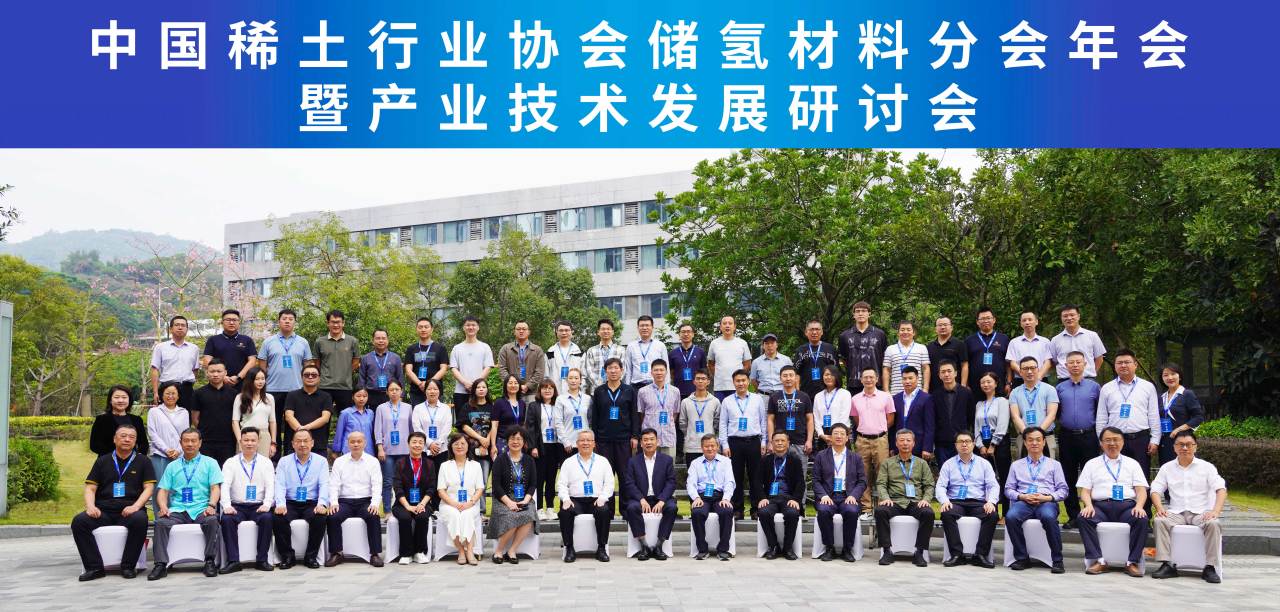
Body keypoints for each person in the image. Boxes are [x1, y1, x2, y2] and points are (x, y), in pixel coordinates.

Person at [71, 424, 155, 581]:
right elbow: (90, 488)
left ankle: (128, 566)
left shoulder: (143, 461)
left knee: (140, 520)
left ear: (135, 441)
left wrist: (136, 506)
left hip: (130, 510)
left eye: (131, 437)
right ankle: (94, 568)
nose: (127, 439)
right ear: (114, 439)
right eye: (123, 436)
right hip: (103, 511)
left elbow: (149, 488)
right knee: (79, 522)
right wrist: (90, 506)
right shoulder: (102, 461)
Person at [1150, 431, 1226, 583]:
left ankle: (1210, 567)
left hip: (1201, 512)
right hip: (1177, 512)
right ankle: (1167, 564)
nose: (1184, 448)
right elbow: (1155, 490)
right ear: (1174, 447)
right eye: (1180, 444)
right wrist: (1159, 508)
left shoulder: (1207, 467)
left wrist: (1215, 511)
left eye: (1188, 445)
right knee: (1160, 520)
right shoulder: (1167, 468)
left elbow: (1221, 489)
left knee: (1213, 523)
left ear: (1195, 447)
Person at [148, 428, 223, 581]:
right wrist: (163, 507)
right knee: (161, 523)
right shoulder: (172, 466)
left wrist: (211, 505)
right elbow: (162, 491)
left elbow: (215, 488)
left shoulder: (210, 463)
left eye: (193, 441)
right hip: (178, 510)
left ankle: (209, 561)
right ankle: (160, 564)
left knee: (212, 520)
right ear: (180, 443)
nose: (190, 444)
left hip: (201, 508)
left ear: (200, 443)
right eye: (186, 441)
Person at [1077, 427, 1150, 577]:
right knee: (1083, 517)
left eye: (1116, 440)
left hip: (1126, 507)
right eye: (1108, 440)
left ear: (1122, 442)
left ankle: (1132, 562)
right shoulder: (1091, 464)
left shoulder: (1132, 464)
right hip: (1100, 507)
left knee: (1141, 519)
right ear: (1101, 443)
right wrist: (1088, 505)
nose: (1112, 443)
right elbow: (1085, 491)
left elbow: (1141, 490)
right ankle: (1099, 560)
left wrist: (1139, 506)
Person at [1005, 427, 1069, 573]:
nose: (1034, 443)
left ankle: (1057, 560)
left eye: (1038, 440)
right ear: (1025, 443)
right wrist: (1022, 496)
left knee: (1048, 517)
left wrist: (1047, 498)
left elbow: (1063, 490)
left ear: (1044, 442)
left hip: (1046, 502)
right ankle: (1022, 558)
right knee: (1011, 517)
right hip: (1024, 501)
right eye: (1030, 440)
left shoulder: (1054, 465)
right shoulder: (1016, 465)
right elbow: (1008, 489)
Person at [936, 431, 1000, 568]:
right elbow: (940, 486)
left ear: (973, 444)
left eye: (967, 441)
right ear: (956, 445)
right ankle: (957, 554)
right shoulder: (948, 464)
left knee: (992, 515)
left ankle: (980, 555)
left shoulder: (984, 464)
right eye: (961, 442)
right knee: (947, 513)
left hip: (978, 502)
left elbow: (993, 485)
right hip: (956, 502)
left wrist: (991, 502)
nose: (964, 444)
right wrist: (945, 501)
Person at [873, 429, 936, 567]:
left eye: (908, 440)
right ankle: (887, 551)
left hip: (915, 502)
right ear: (896, 443)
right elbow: (881, 484)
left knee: (928, 513)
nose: (905, 443)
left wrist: (925, 499)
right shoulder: (887, 463)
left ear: (913, 443)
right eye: (901, 440)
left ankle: (919, 552)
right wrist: (885, 498)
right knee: (880, 511)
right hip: (894, 501)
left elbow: (929, 485)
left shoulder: (921, 463)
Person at [1095, 349, 1160, 479]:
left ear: (1135, 365)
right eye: (1119, 363)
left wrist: (1155, 440)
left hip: (1141, 439)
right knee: (1117, 476)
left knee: (1141, 477)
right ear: (1115, 366)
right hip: (1115, 440)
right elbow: (1101, 417)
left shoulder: (1148, 387)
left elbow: (1153, 415)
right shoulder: (1106, 388)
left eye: (1127, 362)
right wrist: (1102, 440)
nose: (1123, 365)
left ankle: (1142, 494)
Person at [218, 427, 275, 573]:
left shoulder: (266, 462)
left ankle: (262, 560)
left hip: (258, 506)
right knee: (227, 520)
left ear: (258, 442)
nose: (249, 443)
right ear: (240, 441)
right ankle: (233, 561)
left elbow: (270, 486)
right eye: (246, 440)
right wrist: (227, 506)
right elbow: (225, 486)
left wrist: (267, 504)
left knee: (267, 518)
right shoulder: (231, 462)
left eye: (253, 440)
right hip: (237, 506)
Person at [272, 430, 331, 570]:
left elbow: (324, 484)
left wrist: (322, 504)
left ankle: (311, 556)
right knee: (278, 518)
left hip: (311, 502)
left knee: (320, 518)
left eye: (306, 441)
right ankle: (287, 556)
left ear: (312, 443)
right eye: (298, 441)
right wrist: (280, 504)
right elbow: (279, 484)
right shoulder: (284, 461)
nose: (302, 444)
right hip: (290, 502)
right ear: (293, 444)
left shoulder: (321, 461)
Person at [324, 431, 385, 567]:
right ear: (348, 443)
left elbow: (377, 484)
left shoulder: (373, 461)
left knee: (373, 515)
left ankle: (375, 554)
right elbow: (333, 484)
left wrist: (375, 504)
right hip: (345, 501)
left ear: (365, 443)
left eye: (359, 441)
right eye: (352, 442)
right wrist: (333, 502)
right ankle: (337, 553)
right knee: (333, 516)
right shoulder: (339, 462)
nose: (356, 444)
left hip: (365, 501)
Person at [1055, 351, 1102, 528]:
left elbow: (1099, 411)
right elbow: (1057, 412)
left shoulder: (1094, 387)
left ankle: (1092, 513)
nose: (1075, 365)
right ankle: (1073, 515)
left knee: (1092, 476)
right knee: (1068, 476)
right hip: (1067, 436)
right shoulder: (1059, 388)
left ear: (1085, 364)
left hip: (1089, 435)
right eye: (1071, 362)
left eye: (1078, 362)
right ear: (1066, 366)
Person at [556, 430, 615, 562]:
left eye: (589, 440)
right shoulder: (568, 462)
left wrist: (602, 498)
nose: (585, 443)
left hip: (596, 500)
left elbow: (610, 483)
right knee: (565, 512)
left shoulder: (603, 461)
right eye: (582, 440)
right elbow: (561, 484)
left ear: (594, 443)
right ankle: (569, 548)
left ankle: (601, 548)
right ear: (577, 443)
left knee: (604, 511)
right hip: (575, 500)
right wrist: (565, 499)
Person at [257, 308, 312, 449]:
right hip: (272, 389)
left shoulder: (303, 342)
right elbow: (262, 365)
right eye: (284, 319)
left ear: (295, 322)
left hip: (296, 389)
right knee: (273, 422)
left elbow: (307, 366)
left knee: (293, 425)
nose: (287, 321)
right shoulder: (268, 342)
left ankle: (290, 453)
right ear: (279, 321)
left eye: (290, 319)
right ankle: (273, 454)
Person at [812, 424, 866, 562]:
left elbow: (862, 482)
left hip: (847, 496)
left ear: (847, 438)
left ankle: (847, 549)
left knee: (851, 511)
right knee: (823, 511)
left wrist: (853, 495)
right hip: (828, 496)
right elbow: (816, 480)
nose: (839, 436)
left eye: (842, 434)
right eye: (835, 433)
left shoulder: (856, 458)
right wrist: (823, 495)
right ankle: (829, 548)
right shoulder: (821, 456)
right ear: (830, 437)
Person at [718, 369, 768, 519]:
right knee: (735, 477)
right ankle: (737, 509)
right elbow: (723, 424)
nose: (741, 383)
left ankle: (756, 508)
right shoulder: (727, 401)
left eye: (743, 380)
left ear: (748, 382)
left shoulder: (757, 399)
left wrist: (764, 441)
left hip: (754, 441)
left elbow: (763, 422)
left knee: (756, 477)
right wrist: (724, 445)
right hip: (734, 443)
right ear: (733, 383)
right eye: (738, 381)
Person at [622, 429, 678, 561]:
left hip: (660, 498)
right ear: (641, 443)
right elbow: (629, 483)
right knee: (631, 508)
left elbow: (671, 482)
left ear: (657, 442)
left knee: (672, 507)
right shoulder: (633, 461)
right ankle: (644, 545)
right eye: (645, 440)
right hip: (641, 498)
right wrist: (641, 499)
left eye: (652, 439)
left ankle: (659, 545)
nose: (649, 442)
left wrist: (662, 500)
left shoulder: (667, 460)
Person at [591, 357, 639, 512]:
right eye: (610, 368)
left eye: (616, 368)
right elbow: (595, 417)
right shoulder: (599, 391)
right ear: (605, 371)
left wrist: (635, 436)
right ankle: (608, 510)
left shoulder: (629, 390)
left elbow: (634, 415)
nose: (613, 371)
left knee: (625, 475)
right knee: (606, 476)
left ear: (621, 370)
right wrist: (595, 439)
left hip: (624, 440)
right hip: (603, 440)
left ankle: (625, 510)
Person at [489, 427, 540, 564]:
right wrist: (509, 503)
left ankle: (512, 551)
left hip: (523, 499)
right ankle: (498, 551)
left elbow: (533, 484)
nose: (515, 442)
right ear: (507, 441)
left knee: (528, 515)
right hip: (503, 500)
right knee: (511, 516)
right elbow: (496, 486)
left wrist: (526, 500)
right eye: (512, 438)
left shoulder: (529, 460)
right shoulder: (500, 460)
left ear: (524, 442)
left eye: (519, 439)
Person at [755, 432, 806, 560]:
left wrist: (796, 499)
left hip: (788, 498)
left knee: (792, 513)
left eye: (783, 440)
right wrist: (762, 498)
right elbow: (757, 482)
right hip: (770, 498)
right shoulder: (765, 460)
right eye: (776, 441)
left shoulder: (795, 460)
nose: (779, 443)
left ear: (788, 443)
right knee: (763, 512)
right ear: (771, 443)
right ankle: (773, 546)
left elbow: (800, 482)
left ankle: (788, 548)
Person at [851, 368, 895, 512]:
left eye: (871, 377)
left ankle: (883, 505)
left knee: (882, 473)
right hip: (862, 440)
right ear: (861, 380)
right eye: (865, 377)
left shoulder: (886, 397)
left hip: (880, 439)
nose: (868, 380)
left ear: (877, 379)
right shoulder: (855, 399)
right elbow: (856, 419)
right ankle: (866, 508)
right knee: (863, 474)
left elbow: (890, 419)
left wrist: (878, 430)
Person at [438, 432, 486, 565]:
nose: (459, 446)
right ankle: (461, 551)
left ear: (468, 446)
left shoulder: (475, 465)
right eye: (456, 444)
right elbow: (441, 490)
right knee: (454, 515)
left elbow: (480, 488)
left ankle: (469, 550)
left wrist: (471, 502)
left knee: (467, 515)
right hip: (449, 504)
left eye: (463, 443)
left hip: (470, 503)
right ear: (451, 447)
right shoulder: (445, 466)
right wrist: (454, 504)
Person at [687, 435, 736, 560]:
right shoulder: (695, 463)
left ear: (717, 447)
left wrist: (726, 498)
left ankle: (723, 550)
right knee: (697, 512)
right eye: (706, 446)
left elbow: (730, 482)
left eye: (712, 446)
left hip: (720, 496)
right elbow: (690, 484)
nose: (710, 448)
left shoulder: (726, 462)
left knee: (727, 511)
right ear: (701, 447)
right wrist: (696, 498)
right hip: (702, 496)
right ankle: (702, 549)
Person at [391, 432, 436, 565]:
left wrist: (422, 504)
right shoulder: (400, 463)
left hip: (423, 502)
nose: (417, 445)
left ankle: (419, 552)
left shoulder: (429, 464)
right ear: (408, 444)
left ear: (424, 445)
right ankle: (406, 553)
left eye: (420, 442)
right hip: (402, 503)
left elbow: (431, 488)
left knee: (422, 517)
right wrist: (408, 506)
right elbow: (397, 487)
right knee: (405, 517)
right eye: (414, 442)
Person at [973, 372, 1013, 516]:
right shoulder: (979, 404)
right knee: (987, 479)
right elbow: (976, 427)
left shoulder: (1002, 401)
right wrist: (980, 445)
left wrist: (993, 444)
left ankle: (1006, 513)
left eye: (989, 381)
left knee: (1003, 477)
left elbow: (1003, 424)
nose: (986, 385)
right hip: (983, 444)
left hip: (999, 442)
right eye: (983, 382)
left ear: (996, 384)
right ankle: (991, 513)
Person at [147, 382, 189, 512]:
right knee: (160, 487)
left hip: (179, 455)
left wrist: (178, 450)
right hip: (159, 455)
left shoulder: (184, 412)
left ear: (178, 395)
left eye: (173, 393)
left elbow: (185, 434)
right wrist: (166, 450)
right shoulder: (154, 411)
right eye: (167, 393)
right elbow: (152, 433)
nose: (170, 396)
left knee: (179, 486)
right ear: (161, 395)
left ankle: (178, 515)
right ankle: (161, 517)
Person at [312, 309, 360, 421]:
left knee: (345, 420)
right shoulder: (320, 342)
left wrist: (345, 372)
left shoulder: (352, 341)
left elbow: (356, 361)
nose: (336, 325)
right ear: (328, 323)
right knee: (322, 419)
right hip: (324, 387)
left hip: (345, 387)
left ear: (343, 323)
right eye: (333, 322)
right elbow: (317, 363)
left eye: (338, 322)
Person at [191, 359, 239, 466]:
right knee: (206, 471)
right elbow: (195, 418)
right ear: (207, 373)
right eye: (212, 371)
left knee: (226, 471)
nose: (215, 374)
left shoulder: (234, 394)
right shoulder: (199, 393)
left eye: (219, 371)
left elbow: (236, 418)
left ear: (225, 373)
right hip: (206, 441)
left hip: (228, 441)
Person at [1010, 357, 1060, 459]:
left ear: (1038, 369)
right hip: (1024, 437)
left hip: (1046, 436)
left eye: (1032, 368)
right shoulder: (1015, 392)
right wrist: (1027, 434)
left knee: (1048, 467)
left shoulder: (1050, 389)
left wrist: (1038, 433)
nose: (1029, 371)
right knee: (1023, 467)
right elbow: (1015, 416)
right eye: (1025, 368)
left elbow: (1052, 415)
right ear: (1020, 372)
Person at [373, 380, 413, 510]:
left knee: (406, 482)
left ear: (401, 391)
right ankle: (387, 510)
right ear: (387, 392)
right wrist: (380, 448)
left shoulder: (408, 408)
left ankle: (406, 508)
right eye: (391, 390)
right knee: (387, 482)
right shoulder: (381, 408)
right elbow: (377, 429)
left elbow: (412, 430)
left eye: (397, 389)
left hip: (405, 451)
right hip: (387, 452)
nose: (394, 392)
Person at [1157, 363, 1205, 465]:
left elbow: (1198, 417)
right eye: (1165, 375)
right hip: (1165, 441)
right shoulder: (1161, 397)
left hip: (1183, 441)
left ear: (1180, 376)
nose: (1170, 377)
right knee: (1167, 469)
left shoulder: (1187, 394)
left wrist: (1179, 429)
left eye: (1173, 374)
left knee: (1185, 469)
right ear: (1162, 379)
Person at [150, 315, 200, 411]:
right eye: (177, 325)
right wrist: (155, 392)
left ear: (187, 329)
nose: (180, 327)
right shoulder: (160, 347)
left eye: (183, 325)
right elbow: (155, 369)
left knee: (186, 416)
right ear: (171, 329)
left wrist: (187, 385)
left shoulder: (194, 348)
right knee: (165, 416)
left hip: (187, 389)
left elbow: (195, 370)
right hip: (167, 388)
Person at [838, 301, 888, 395]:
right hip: (853, 383)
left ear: (869, 314)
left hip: (876, 383)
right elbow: (843, 359)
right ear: (853, 315)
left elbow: (885, 358)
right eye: (857, 311)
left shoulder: (880, 334)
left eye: (864, 311)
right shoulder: (844, 336)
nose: (860, 313)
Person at [532, 380, 565, 520]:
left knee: (551, 478)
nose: (547, 390)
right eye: (544, 388)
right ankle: (539, 508)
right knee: (539, 479)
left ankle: (550, 507)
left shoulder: (558, 405)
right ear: (540, 391)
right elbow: (530, 427)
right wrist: (533, 446)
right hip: (540, 446)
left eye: (550, 388)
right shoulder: (534, 406)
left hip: (555, 446)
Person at [931, 361, 974, 466]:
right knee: (944, 471)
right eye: (943, 372)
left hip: (962, 442)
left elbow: (971, 416)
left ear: (955, 373)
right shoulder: (935, 395)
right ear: (939, 375)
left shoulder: (966, 393)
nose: (946, 374)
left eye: (949, 371)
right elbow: (933, 419)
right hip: (941, 442)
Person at [201, 309, 257, 389]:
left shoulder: (247, 340)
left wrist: (238, 377)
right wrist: (222, 377)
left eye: (234, 320)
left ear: (239, 322)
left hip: (243, 384)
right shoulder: (213, 340)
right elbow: (207, 361)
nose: (231, 322)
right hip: (218, 384)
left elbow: (252, 361)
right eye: (228, 320)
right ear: (222, 322)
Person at [1050, 304, 1107, 380]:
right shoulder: (1055, 340)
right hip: (1064, 381)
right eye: (1065, 316)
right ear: (1061, 318)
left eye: (1072, 315)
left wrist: (1092, 374)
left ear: (1078, 316)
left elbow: (1099, 358)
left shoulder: (1092, 335)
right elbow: (1054, 362)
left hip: (1087, 379)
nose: (1069, 318)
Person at [89, 385, 149, 457]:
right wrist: (117, 456)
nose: (120, 400)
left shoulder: (137, 420)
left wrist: (137, 457)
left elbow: (143, 444)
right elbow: (94, 445)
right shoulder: (101, 420)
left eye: (124, 397)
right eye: (116, 397)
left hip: (132, 461)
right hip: (107, 460)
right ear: (110, 400)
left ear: (129, 400)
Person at [767, 366, 813, 458]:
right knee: (780, 467)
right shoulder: (774, 397)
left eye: (791, 375)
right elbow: (770, 420)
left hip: (800, 442)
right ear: (780, 378)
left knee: (800, 467)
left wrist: (809, 440)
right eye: (785, 376)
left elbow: (810, 420)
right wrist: (771, 441)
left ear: (796, 378)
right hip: (779, 442)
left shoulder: (804, 396)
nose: (788, 378)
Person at [285, 364, 334, 450]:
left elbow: (325, 418)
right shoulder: (292, 395)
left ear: (319, 378)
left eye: (314, 375)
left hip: (319, 444)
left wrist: (307, 427)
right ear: (302, 377)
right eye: (307, 375)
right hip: (295, 444)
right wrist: (301, 431)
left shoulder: (326, 397)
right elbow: (289, 416)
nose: (310, 377)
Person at [231, 367, 277, 460]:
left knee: (263, 464)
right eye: (257, 379)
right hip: (246, 435)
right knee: (244, 463)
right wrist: (240, 441)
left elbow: (272, 421)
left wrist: (273, 442)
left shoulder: (269, 398)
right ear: (250, 380)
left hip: (264, 435)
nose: (260, 382)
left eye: (263, 379)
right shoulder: (240, 397)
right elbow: (234, 421)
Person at [402, 317, 450, 406]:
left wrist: (429, 384)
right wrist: (420, 383)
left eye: (426, 327)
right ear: (416, 329)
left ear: (431, 329)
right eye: (420, 327)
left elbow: (443, 369)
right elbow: (408, 370)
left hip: (435, 390)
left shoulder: (440, 348)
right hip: (416, 391)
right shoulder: (411, 349)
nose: (423, 329)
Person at [637, 359, 680, 457]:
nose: (659, 373)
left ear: (666, 372)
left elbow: (675, 413)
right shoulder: (643, 391)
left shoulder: (675, 391)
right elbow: (641, 414)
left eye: (661, 370)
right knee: (649, 464)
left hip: (668, 435)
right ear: (651, 372)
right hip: (649, 437)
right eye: (656, 370)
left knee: (668, 464)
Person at [457, 378, 496, 485]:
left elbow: (494, 426)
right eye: (478, 387)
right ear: (474, 390)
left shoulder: (492, 407)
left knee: (483, 482)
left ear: (487, 389)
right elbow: (463, 426)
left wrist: (486, 441)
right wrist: (480, 439)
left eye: (483, 387)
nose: (481, 389)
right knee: (469, 482)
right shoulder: (467, 406)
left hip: (486, 450)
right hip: (470, 450)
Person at [449, 315, 494, 406]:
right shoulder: (457, 348)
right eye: (468, 325)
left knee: (481, 415)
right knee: (461, 415)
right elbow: (453, 368)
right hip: (461, 391)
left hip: (480, 391)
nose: (470, 327)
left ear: (478, 327)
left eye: (473, 325)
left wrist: (476, 385)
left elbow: (488, 367)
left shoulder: (485, 347)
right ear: (463, 328)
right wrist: (465, 383)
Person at [498, 320, 547, 404]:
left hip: (531, 393)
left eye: (524, 329)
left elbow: (540, 371)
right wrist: (512, 384)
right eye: (518, 329)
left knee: (531, 412)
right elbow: (502, 369)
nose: (521, 331)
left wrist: (528, 386)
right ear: (514, 332)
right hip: (510, 392)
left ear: (529, 332)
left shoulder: (537, 350)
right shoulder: (505, 349)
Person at [891, 367, 934, 460]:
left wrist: (927, 447)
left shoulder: (926, 398)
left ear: (917, 378)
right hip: (899, 445)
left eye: (910, 378)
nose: (907, 381)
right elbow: (893, 426)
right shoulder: (896, 398)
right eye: (904, 378)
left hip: (918, 445)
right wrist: (892, 446)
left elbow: (929, 425)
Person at [965, 307, 1010, 392]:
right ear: (977, 322)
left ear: (994, 320)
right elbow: (965, 364)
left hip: (999, 384)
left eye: (988, 318)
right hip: (975, 385)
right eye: (982, 319)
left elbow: (1008, 363)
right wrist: (966, 384)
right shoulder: (969, 340)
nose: (986, 321)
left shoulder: (1004, 339)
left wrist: (1009, 382)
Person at [410, 378, 453, 468]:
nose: (432, 391)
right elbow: (417, 428)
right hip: (423, 449)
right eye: (429, 389)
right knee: (425, 475)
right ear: (425, 391)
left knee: (441, 475)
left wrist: (437, 444)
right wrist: (429, 443)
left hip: (441, 449)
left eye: (435, 389)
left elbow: (447, 429)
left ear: (439, 391)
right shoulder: (418, 408)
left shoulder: (446, 408)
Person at [679, 370, 720, 463]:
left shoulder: (715, 401)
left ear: (708, 382)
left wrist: (711, 432)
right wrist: (690, 434)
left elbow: (717, 422)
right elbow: (682, 423)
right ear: (694, 381)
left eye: (703, 379)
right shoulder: (686, 402)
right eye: (698, 379)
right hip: (691, 446)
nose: (700, 381)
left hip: (710, 446)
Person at [707, 315, 752, 400]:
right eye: (724, 323)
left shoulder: (742, 343)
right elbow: (711, 364)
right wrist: (720, 375)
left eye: (730, 323)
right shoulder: (714, 343)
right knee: (721, 408)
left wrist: (740, 377)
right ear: (720, 327)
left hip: (738, 386)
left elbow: (747, 364)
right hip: (720, 387)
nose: (727, 325)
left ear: (734, 327)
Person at [813, 366, 853, 456]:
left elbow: (844, 416)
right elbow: (816, 418)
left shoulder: (845, 394)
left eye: (832, 375)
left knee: (842, 462)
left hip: (840, 434)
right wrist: (821, 434)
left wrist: (835, 435)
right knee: (823, 463)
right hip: (823, 436)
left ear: (837, 376)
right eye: (826, 375)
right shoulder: (818, 396)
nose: (829, 377)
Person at [1006, 312, 1053, 387]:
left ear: (1036, 322)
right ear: (1021, 324)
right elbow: (1012, 363)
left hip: (1041, 379)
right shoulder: (1014, 342)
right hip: (1020, 380)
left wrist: (1039, 376)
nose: (1027, 322)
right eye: (1024, 320)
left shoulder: (1045, 342)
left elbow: (1048, 362)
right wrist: (1024, 374)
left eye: (1030, 319)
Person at [794, 319, 840, 398]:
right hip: (806, 393)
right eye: (811, 329)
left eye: (817, 329)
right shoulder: (800, 350)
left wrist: (836, 391)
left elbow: (836, 372)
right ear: (806, 332)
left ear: (822, 332)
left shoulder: (830, 349)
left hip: (827, 393)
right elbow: (797, 373)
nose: (814, 332)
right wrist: (798, 393)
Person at [926, 316, 970, 394]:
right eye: (940, 325)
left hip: (955, 388)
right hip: (934, 389)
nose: (942, 327)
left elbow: (964, 365)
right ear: (935, 329)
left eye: (945, 325)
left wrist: (963, 385)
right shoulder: (929, 347)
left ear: (951, 327)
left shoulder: (959, 344)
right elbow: (927, 368)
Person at [884, 320, 931, 394]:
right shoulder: (890, 349)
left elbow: (926, 369)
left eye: (908, 330)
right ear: (898, 333)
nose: (905, 332)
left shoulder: (922, 348)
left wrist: (925, 389)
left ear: (913, 333)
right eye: (902, 330)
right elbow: (886, 370)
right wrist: (886, 391)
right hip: (896, 392)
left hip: (917, 393)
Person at [359, 329, 402, 409]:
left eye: (383, 338)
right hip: (371, 395)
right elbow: (362, 379)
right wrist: (362, 395)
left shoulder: (396, 358)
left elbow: (400, 378)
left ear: (387, 340)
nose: (381, 341)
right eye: (378, 338)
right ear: (373, 341)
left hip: (390, 395)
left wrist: (401, 396)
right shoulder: (366, 358)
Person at [493, 374, 534, 455]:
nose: (513, 385)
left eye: (516, 383)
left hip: (518, 442)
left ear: (519, 386)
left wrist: (525, 441)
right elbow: (494, 426)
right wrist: (493, 445)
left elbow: (522, 424)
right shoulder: (499, 402)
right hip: (503, 441)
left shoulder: (522, 403)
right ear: (505, 385)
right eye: (510, 383)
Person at [583, 318, 626, 394]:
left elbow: (623, 370)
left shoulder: (621, 350)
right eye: (603, 329)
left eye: (608, 329)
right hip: (597, 391)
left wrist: (614, 385)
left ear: (612, 332)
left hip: (616, 391)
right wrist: (601, 387)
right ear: (598, 332)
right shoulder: (591, 350)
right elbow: (589, 371)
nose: (606, 331)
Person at [625, 315, 667, 392]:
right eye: (642, 326)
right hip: (636, 387)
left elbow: (666, 367)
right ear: (638, 328)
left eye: (647, 325)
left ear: (652, 327)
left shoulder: (660, 345)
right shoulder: (631, 346)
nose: (644, 328)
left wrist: (666, 386)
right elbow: (628, 369)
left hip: (656, 385)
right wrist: (627, 388)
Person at [557, 368, 593, 455]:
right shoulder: (561, 399)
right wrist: (565, 441)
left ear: (580, 380)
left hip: (584, 443)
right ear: (566, 380)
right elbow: (558, 422)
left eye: (576, 378)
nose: (573, 381)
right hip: (567, 445)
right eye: (570, 378)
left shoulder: (587, 399)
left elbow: (591, 421)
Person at [330, 387, 374, 457]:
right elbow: (339, 432)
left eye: (364, 396)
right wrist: (336, 450)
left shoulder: (370, 413)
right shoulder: (345, 413)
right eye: (358, 396)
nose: (361, 399)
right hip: (349, 450)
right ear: (353, 397)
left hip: (367, 450)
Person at [668, 322, 707, 399]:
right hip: (678, 392)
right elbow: (671, 372)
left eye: (688, 332)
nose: (686, 334)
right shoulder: (673, 353)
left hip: (697, 391)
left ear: (693, 334)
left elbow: (704, 371)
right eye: (683, 332)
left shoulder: (700, 352)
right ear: (679, 335)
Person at [546, 320, 584, 397]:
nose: (564, 333)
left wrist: (581, 391)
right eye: (561, 330)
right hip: (555, 393)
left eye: (566, 330)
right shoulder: (550, 352)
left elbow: (584, 376)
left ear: (572, 332)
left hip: (575, 394)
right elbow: (546, 375)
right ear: (556, 332)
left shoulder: (580, 352)